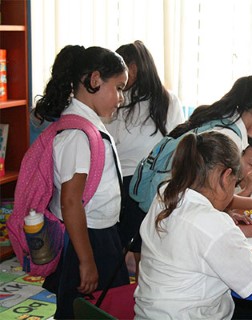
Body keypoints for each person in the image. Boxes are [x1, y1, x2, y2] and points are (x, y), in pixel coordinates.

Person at [134, 131, 252, 319]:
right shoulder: (212, 223)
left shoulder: (166, 194)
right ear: (226, 176)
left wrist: (251, 252)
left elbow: (191, 251)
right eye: (235, 183)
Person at [34, 45, 130, 319]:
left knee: (107, 302)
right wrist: (86, 261)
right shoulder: (77, 135)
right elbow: (71, 200)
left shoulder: (87, 125)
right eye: (119, 87)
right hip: (88, 238)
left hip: (100, 232)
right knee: (86, 309)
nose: (121, 98)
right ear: (96, 80)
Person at [135, 75, 252, 216]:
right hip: (170, 207)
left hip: (166, 200)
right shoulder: (228, 137)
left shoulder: (224, 122)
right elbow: (212, 194)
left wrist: (228, 214)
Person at [105, 40, 185, 277]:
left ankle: (132, 291)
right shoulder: (165, 99)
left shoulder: (128, 100)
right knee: (143, 246)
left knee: (133, 245)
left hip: (135, 184)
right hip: (149, 185)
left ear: (135, 68)